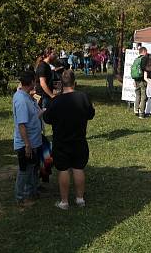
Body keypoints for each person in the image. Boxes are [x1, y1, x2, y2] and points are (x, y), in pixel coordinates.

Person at [43, 70, 95, 210]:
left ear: (61, 84)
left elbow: (47, 119)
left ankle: (64, 202)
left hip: (61, 141)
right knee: (78, 168)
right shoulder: (83, 97)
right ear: (75, 82)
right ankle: (80, 199)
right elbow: (91, 114)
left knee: (63, 169)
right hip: (79, 139)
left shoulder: (56, 101)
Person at [13, 70, 43, 206]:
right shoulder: (21, 100)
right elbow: (22, 125)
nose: (36, 83)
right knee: (24, 170)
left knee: (32, 168)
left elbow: (31, 118)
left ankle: (31, 192)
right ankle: (21, 197)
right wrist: (27, 145)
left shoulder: (26, 96)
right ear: (31, 82)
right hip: (26, 143)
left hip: (33, 141)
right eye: (35, 81)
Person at [131, 47, 149, 118]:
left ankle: (136, 110)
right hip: (142, 80)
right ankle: (141, 113)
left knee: (138, 95)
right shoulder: (144, 59)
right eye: (146, 51)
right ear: (144, 51)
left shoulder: (136, 59)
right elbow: (145, 69)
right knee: (143, 96)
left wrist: (134, 80)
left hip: (136, 79)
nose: (147, 53)